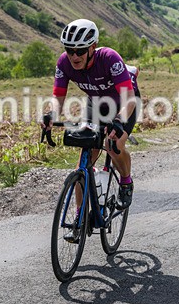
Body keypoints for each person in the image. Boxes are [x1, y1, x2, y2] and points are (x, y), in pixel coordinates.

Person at [41, 19, 140, 212]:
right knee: (83, 163)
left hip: (124, 103)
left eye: (79, 51)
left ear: (92, 47)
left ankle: (126, 182)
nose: (73, 56)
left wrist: (118, 121)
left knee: (113, 145)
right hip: (96, 104)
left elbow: (128, 97)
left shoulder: (109, 58)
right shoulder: (64, 63)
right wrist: (51, 114)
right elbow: (58, 96)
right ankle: (80, 218)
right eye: (69, 50)